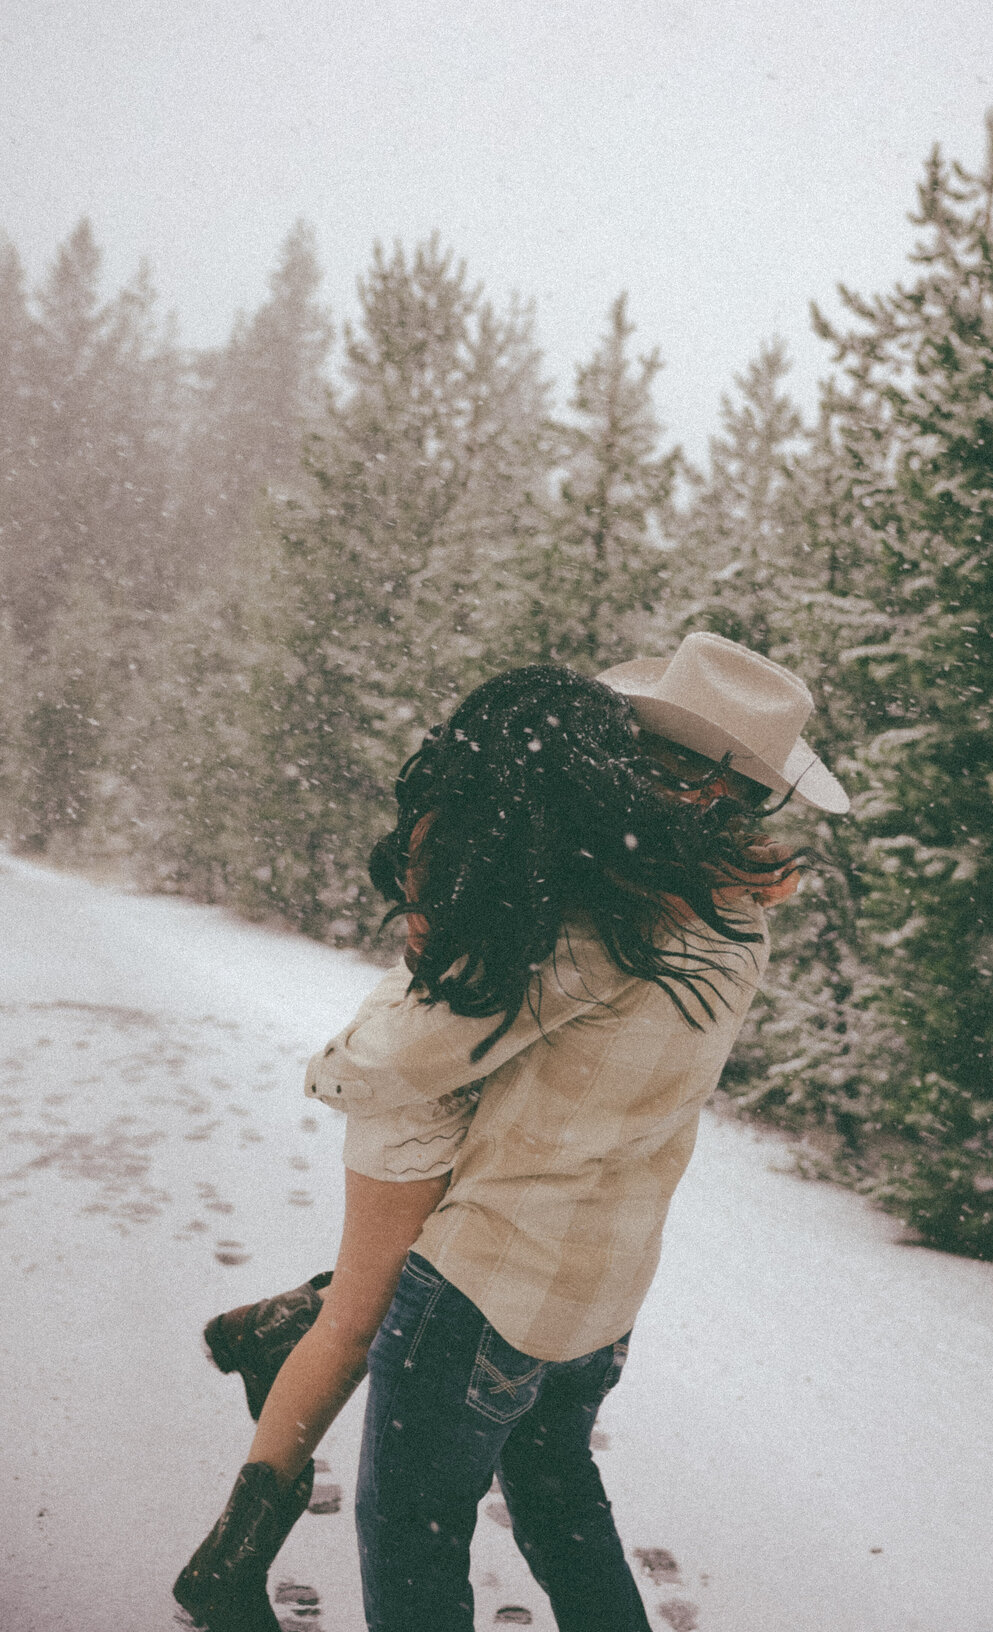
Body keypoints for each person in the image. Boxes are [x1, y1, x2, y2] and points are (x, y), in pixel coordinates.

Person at [175, 634, 848, 1632]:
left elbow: (400, 1057)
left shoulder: (611, 926)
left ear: (684, 781)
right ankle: (309, 1313)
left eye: (636, 751)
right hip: (603, 1291)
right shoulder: (739, 909)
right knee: (565, 1512)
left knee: (413, 1544)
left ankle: (310, 1317)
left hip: (483, 1294)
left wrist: (394, 996)